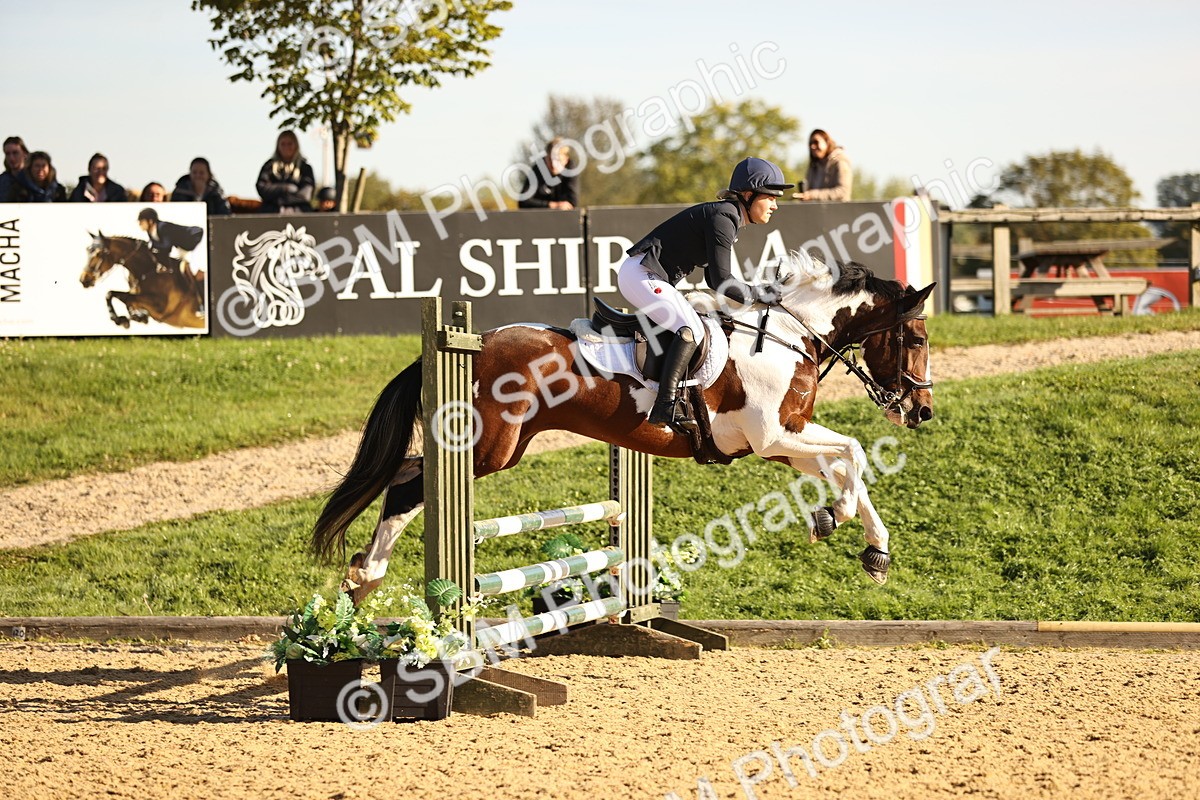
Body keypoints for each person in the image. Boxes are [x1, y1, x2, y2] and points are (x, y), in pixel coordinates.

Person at [618, 157, 791, 427]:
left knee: (694, 324)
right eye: (770, 197)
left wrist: (757, 294)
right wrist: (760, 294)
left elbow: (713, 278)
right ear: (748, 195)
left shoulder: (728, 217)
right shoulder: (724, 217)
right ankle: (665, 405)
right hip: (640, 274)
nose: (775, 205)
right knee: (692, 328)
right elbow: (723, 279)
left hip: (642, 273)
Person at [256, 130, 315, 214]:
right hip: (272, 212)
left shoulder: (305, 168)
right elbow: (262, 188)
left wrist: (284, 199)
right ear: (278, 146)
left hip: (299, 214)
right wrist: (286, 188)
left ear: (296, 145)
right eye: (283, 144)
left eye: (290, 144)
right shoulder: (269, 167)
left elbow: (305, 195)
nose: (286, 147)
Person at [517, 137, 578, 210]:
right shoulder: (538, 169)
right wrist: (552, 205)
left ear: (566, 160)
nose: (553, 164)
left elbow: (572, 202)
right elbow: (523, 201)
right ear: (545, 157)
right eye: (550, 160)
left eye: (558, 160)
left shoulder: (570, 170)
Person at [794, 129, 852, 202]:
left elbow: (842, 191)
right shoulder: (814, 165)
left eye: (816, 142)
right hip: (817, 211)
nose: (812, 146)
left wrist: (812, 195)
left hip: (838, 210)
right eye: (810, 143)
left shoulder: (840, 161)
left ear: (827, 143)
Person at [0, 136, 29, 202]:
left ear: (25, 154)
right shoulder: (2, 181)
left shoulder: (34, 180)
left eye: (15, 153)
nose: (11, 158)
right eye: (8, 154)